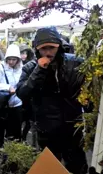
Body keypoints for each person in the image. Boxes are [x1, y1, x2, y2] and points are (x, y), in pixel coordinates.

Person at [16, 27, 88, 174]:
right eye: (43, 49)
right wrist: (39, 71)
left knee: (77, 165)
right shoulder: (30, 68)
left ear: (59, 47)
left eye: (52, 48)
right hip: (46, 128)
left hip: (72, 126)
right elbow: (22, 93)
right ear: (37, 50)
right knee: (50, 167)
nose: (48, 53)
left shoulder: (75, 63)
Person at [0, 44, 23, 148]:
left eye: (14, 59)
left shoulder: (21, 68)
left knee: (15, 128)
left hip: (17, 104)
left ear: (18, 59)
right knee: (1, 126)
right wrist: (8, 87)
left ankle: (13, 149)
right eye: (9, 59)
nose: (11, 62)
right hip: (3, 103)